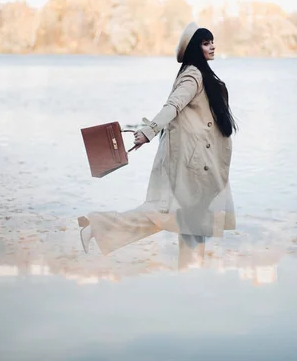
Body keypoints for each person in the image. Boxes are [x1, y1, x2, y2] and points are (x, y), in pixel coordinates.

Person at [78, 22, 237, 268]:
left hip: (201, 162)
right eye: (206, 43)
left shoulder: (202, 74)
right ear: (196, 48)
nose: (213, 46)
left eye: (212, 41)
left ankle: (191, 275)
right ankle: (98, 227)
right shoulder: (193, 75)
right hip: (193, 164)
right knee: (170, 216)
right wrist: (149, 132)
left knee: (188, 221)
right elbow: (172, 106)